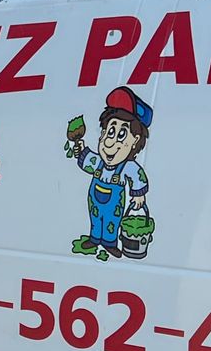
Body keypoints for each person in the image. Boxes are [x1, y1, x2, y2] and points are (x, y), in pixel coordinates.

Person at [64, 88, 154, 260]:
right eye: (109, 132)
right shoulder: (99, 161)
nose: (111, 141)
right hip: (95, 197)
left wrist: (138, 195)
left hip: (114, 200)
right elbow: (87, 161)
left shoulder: (128, 166)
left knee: (112, 221)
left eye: (121, 134)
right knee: (96, 217)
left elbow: (138, 177)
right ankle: (94, 238)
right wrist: (80, 149)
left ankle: (110, 243)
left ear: (134, 141)